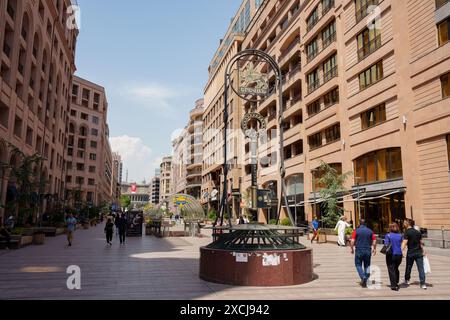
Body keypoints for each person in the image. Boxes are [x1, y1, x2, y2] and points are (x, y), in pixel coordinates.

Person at [350, 219, 377, 288]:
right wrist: (374, 249)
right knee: (367, 265)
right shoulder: (370, 231)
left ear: (360, 223)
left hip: (359, 249)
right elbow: (374, 241)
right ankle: (366, 278)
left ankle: (363, 277)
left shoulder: (356, 231)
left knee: (358, 264)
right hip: (368, 250)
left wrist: (352, 249)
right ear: (365, 224)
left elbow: (352, 241)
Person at [402, 219, 427, 290]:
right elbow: (421, 243)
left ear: (407, 224)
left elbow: (404, 242)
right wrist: (423, 251)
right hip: (419, 252)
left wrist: (401, 251)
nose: (403, 224)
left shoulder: (407, 232)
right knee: (421, 268)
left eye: (404, 223)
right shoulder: (418, 232)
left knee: (408, 267)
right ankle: (423, 284)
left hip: (410, 253)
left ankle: (407, 280)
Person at [385, 222, 404, 291]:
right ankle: (396, 281)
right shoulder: (400, 235)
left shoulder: (388, 235)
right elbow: (403, 244)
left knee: (391, 269)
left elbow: (386, 245)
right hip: (399, 255)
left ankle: (394, 285)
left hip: (391, 254)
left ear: (390, 228)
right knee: (396, 268)